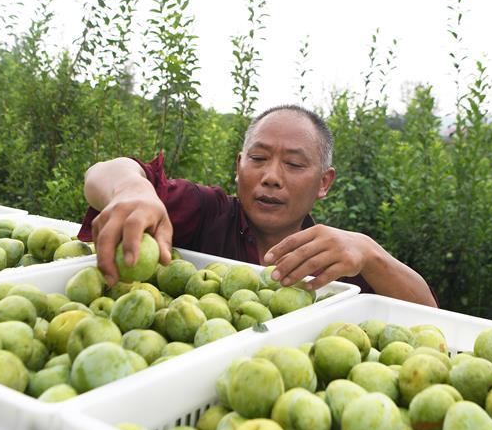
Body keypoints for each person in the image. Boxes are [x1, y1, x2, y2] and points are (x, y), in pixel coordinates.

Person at [78, 105, 437, 307]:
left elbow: (431, 317)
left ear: (324, 182)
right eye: (258, 158)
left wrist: (371, 254)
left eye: (294, 165)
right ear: (238, 167)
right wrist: (130, 188)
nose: (271, 177)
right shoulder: (204, 213)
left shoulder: (335, 256)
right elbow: (103, 173)